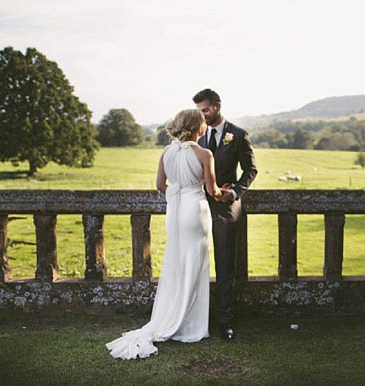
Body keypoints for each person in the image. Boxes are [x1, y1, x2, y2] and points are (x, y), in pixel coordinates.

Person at [106, 109, 221, 360]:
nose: (204, 125)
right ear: (196, 127)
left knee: (177, 262)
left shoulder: (167, 152)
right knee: (195, 263)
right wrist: (227, 193)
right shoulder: (204, 153)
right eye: (202, 122)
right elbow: (212, 191)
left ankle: (172, 317)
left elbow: (160, 185)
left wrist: (178, 190)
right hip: (195, 210)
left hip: (177, 211)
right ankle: (190, 326)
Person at [193, 89, 258, 341]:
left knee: (225, 262)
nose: (203, 115)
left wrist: (234, 194)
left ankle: (225, 319)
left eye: (206, 110)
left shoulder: (238, 135)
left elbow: (251, 169)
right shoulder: (195, 137)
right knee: (194, 259)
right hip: (197, 203)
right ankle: (195, 315)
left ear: (218, 106)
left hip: (226, 205)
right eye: (199, 111)